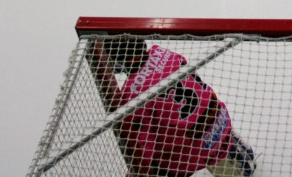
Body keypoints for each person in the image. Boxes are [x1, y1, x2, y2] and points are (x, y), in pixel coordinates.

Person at [102, 38, 257, 177]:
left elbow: (143, 145)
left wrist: (140, 170)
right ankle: (237, 158)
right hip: (218, 116)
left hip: (193, 147)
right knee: (201, 126)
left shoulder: (131, 94)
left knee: (158, 165)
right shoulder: (162, 53)